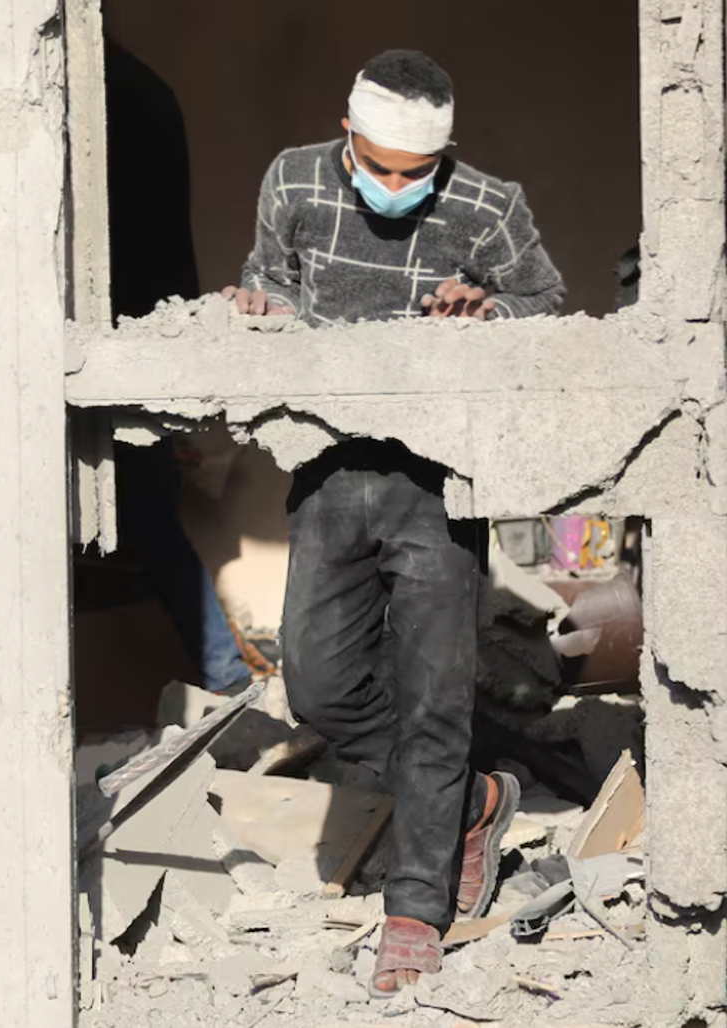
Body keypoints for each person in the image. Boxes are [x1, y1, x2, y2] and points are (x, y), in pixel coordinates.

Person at [222, 50, 564, 996]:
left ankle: (415, 912)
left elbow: (546, 302)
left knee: (434, 698)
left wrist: (488, 310)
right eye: (379, 166)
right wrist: (255, 305)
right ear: (347, 133)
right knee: (318, 684)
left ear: (446, 156)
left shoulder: (488, 205)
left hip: (439, 478)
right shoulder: (293, 182)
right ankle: (470, 800)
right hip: (328, 466)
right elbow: (269, 285)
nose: (397, 187)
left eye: (419, 172)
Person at [105, 36, 257, 695]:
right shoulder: (146, 88)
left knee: (143, 515)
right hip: (149, 338)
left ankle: (228, 674)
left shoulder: (103, 92)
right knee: (149, 517)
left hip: (117, 340)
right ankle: (228, 674)